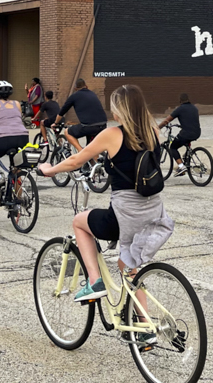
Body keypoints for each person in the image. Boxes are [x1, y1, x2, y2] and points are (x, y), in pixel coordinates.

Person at [38, 83, 174, 344]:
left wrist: (49, 170)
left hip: (124, 216)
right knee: (129, 267)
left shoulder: (113, 135)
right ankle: (144, 325)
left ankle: (95, 282)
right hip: (153, 213)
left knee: (79, 222)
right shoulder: (154, 132)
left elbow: (76, 161)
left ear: (120, 109)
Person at [53, 78, 108, 152]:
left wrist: (56, 123)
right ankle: (93, 159)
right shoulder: (92, 94)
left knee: (67, 132)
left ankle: (81, 151)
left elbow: (62, 112)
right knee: (91, 150)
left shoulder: (74, 96)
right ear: (86, 86)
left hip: (88, 126)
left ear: (75, 88)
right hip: (103, 125)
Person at [157, 93, 201, 177]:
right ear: (188, 99)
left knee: (173, 147)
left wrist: (158, 127)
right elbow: (190, 119)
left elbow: (167, 120)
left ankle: (181, 166)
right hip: (197, 133)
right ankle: (187, 159)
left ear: (180, 100)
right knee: (185, 141)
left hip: (186, 133)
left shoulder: (180, 109)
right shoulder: (194, 108)